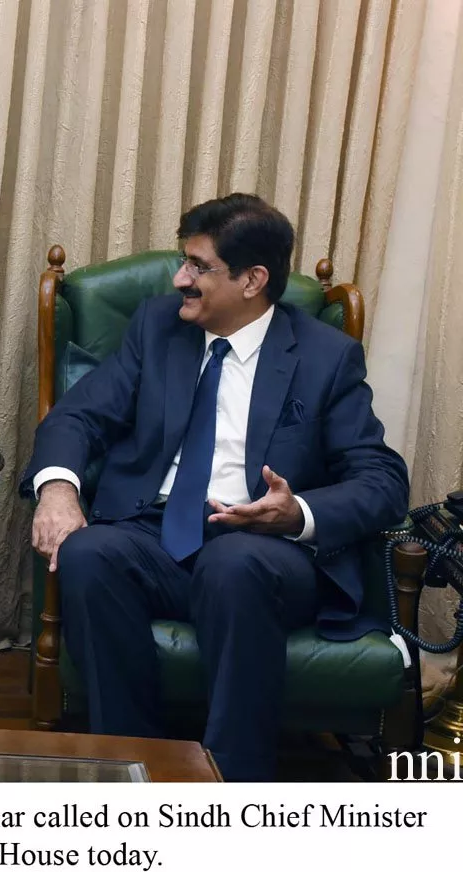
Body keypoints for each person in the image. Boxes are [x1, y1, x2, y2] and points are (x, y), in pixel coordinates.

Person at [21, 193, 409, 781]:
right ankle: (132, 765)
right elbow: (78, 416)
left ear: (253, 280)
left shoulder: (326, 357)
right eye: (185, 261)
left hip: (263, 548)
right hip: (152, 532)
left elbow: (382, 478)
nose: (180, 278)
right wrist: (57, 491)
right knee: (90, 552)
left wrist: (297, 513)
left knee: (234, 564)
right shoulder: (156, 327)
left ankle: (230, 782)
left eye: (198, 266)